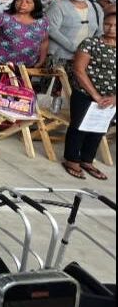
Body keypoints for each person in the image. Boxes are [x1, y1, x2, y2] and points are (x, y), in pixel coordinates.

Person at [62, 11, 115, 181]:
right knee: (79, 127)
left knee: (99, 129)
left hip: (111, 97)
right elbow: (79, 70)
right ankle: (71, 159)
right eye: (108, 24)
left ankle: (87, 160)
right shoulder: (90, 43)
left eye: (115, 26)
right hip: (86, 92)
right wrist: (96, 96)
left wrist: (115, 98)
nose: (111, 28)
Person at [47, 0, 105, 67]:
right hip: (60, 55)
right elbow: (52, 30)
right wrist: (74, 48)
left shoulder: (96, 7)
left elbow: (100, 31)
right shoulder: (58, 6)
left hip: (85, 57)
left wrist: (89, 49)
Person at [0, 0, 49, 68]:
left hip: (29, 64)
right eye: (19, 1)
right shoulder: (3, 17)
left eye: (28, 2)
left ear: (36, 5)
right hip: (1, 63)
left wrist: (41, 61)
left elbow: (44, 42)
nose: (23, 4)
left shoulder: (43, 21)